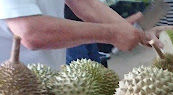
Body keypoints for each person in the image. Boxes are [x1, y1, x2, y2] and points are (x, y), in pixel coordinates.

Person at [0, 0, 161, 68]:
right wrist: (112, 33)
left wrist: (135, 34)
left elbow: (86, 4)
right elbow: (31, 32)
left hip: (46, 88)